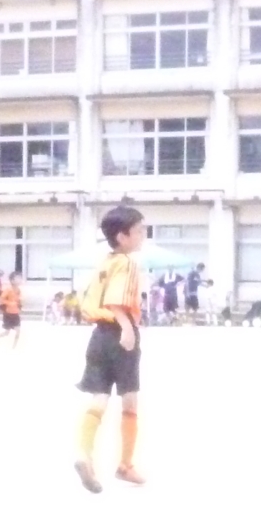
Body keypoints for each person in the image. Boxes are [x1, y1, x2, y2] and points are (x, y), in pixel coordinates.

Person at [74, 205, 148, 494]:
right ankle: (125, 465)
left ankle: (84, 453)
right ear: (122, 236)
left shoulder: (104, 263)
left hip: (98, 337)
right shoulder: (127, 263)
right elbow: (116, 300)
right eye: (139, 231)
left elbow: (91, 299)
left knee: (99, 397)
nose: (143, 235)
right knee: (129, 400)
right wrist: (127, 329)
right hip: (120, 333)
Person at [0, 271, 23, 348]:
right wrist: (10, 303)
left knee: (18, 331)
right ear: (12, 281)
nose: (20, 280)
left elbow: (18, 301)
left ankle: (14, 348)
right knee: (6, 333)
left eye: (20, 278)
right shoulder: (8, 290)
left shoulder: (18, 290)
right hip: (8, 314)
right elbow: (1, 300)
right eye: (18, 278)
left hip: (15, 314)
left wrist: (20, 306)